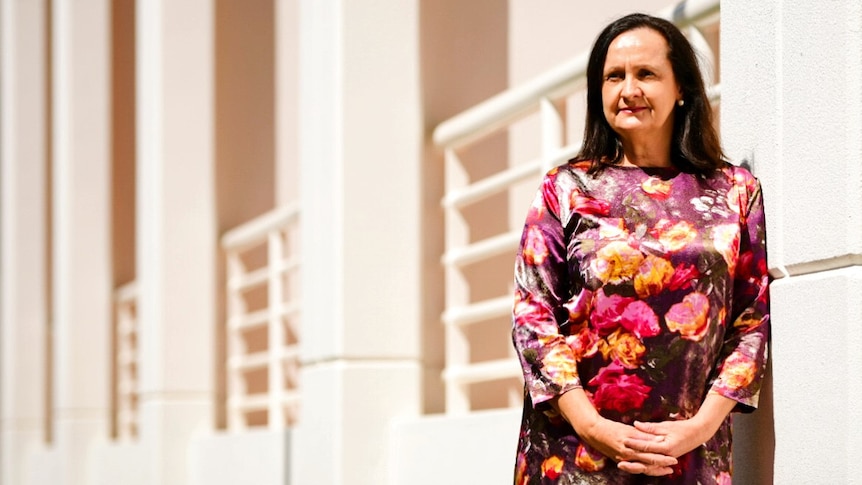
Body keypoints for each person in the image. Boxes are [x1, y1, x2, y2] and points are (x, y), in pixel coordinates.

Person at [511, 13, 770, 484]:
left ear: (682, 89)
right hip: (575, 450)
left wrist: (700, 428)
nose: (629, 89)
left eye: (646, 74)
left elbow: (752, 319)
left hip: (689, 452)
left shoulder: (735, 190)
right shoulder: (566, 188)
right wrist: (592, 426)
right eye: (614, 76)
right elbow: (533, 316)